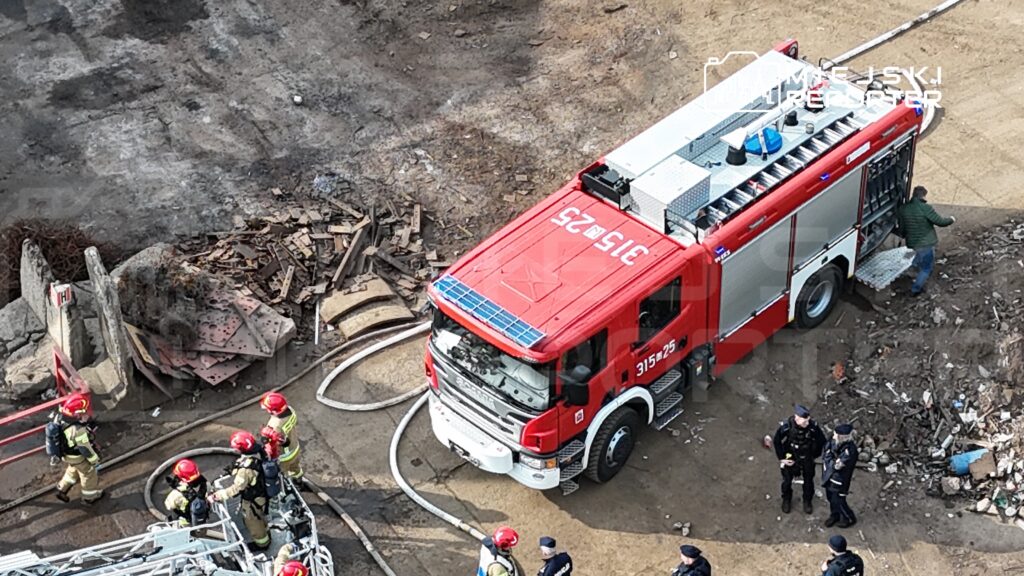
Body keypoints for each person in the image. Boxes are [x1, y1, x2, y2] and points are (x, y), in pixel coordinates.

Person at [209, 431, 271, 550]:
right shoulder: (258, 452)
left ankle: (263, 544)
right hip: (261, 496)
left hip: (252, 501)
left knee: (253, 522)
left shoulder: (245, 470)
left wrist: (216, 496)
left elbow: (236, 489)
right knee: (260, 516)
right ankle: (267, 532)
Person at [898, 185, 955, 295]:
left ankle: (908, 272)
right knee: (926, 268)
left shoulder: (903, 209)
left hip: (913, 243)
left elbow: (902, 229)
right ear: (923, 196)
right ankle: (915, 290)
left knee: (918, 258)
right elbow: (940, 222)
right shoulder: (925, 208)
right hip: (926, 243)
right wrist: (951, 219)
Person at [772, 404, 827, 514]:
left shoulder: (813, 427)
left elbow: (822, 441)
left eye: (808, 421)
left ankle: (807, 501)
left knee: (808, 481)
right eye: (804, 421)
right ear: (796, 417)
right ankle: (786, 499)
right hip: (790, 457)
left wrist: (814, 455)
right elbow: (777, 441)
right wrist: (782, 458)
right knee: (787, 481)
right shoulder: (786, 427)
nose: (806, 423)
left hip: (807, 457)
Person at [54, 393, 104, 504]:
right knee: (88, 474)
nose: (88, 414)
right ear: (78, 414)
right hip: (78, 457)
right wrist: (95, 461)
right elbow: (85, 449)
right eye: (85, 412)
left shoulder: (60, 419)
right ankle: (89, 497)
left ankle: (62, 488)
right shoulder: (79, 431)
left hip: (66, 455)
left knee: (73, 470)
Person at [822, 423, 859, 528]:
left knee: (839, 501)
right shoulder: (833, 442)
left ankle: (849, 518)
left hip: (840, 481)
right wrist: (830, 460)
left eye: (836, 435)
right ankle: (835, 515)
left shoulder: (850, 451)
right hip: (829, 477)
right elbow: (825, 453)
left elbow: (837, 466)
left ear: (842, 437)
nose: (833, 436)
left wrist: (830, 460)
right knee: (830, 498)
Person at [260, 392, 304, 479]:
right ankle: (298, 479)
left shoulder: (275, 425)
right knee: (295, 468)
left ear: (274, 410)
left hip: (285, 456)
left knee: (280, 475)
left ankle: (288, 486)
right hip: (295, 446)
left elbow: (273, 445)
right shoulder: (291, 411)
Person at [164, 458, 209, 527]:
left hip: (187, 522)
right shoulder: (204, 483)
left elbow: (169, 505)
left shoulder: (177, 494)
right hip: (203, 513)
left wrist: (177, 488)